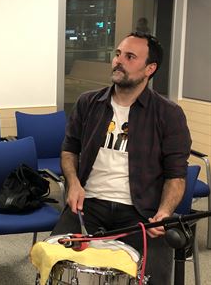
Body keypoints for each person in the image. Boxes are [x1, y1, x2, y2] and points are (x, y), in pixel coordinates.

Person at [52, 31, 192, 285]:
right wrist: (73, 183)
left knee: (154, 278)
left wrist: (163, 213)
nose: (119, 61)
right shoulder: (88, 103)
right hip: (89, 205)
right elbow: (69, 149)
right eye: (117, 54)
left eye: (130, 57)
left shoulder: (168, 114)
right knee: (54, 262)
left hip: (141, 212)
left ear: (150, 68)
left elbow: (176, 175)